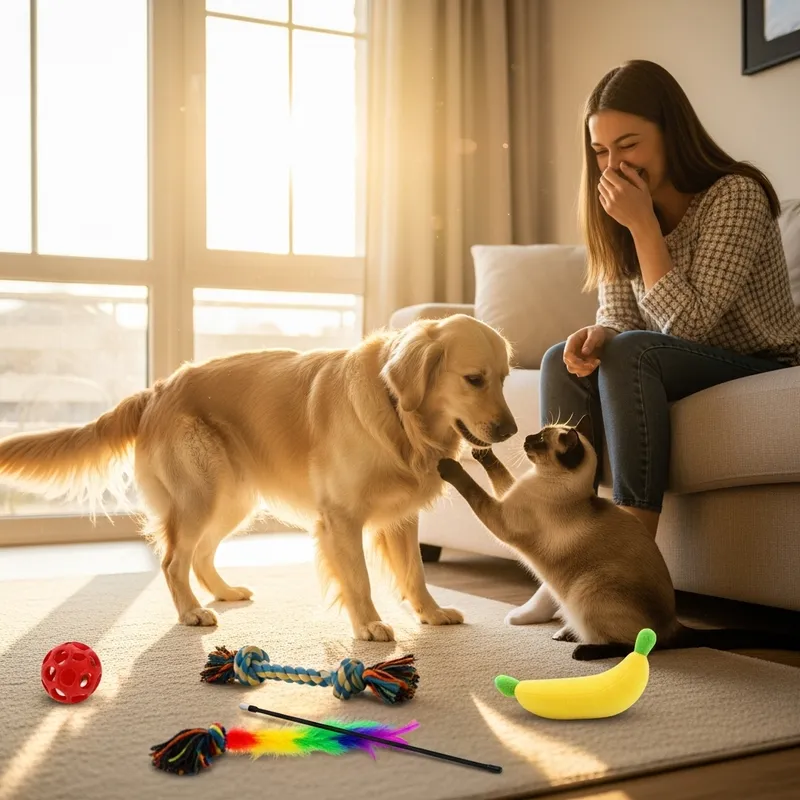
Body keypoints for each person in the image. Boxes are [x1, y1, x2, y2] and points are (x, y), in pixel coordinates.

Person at [509, 59, 800, 627]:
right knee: (562, 361)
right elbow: (618, 317)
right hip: (670, 355)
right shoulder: (615, 208)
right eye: (600, 151)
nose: (613, 164)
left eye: (629, 145)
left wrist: (644, 226)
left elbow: (686, 327)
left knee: (632, 351)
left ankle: (625, 558)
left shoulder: (735, 195)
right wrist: (596, 335)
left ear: (671, 133)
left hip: (756, 360)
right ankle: (563, 557)